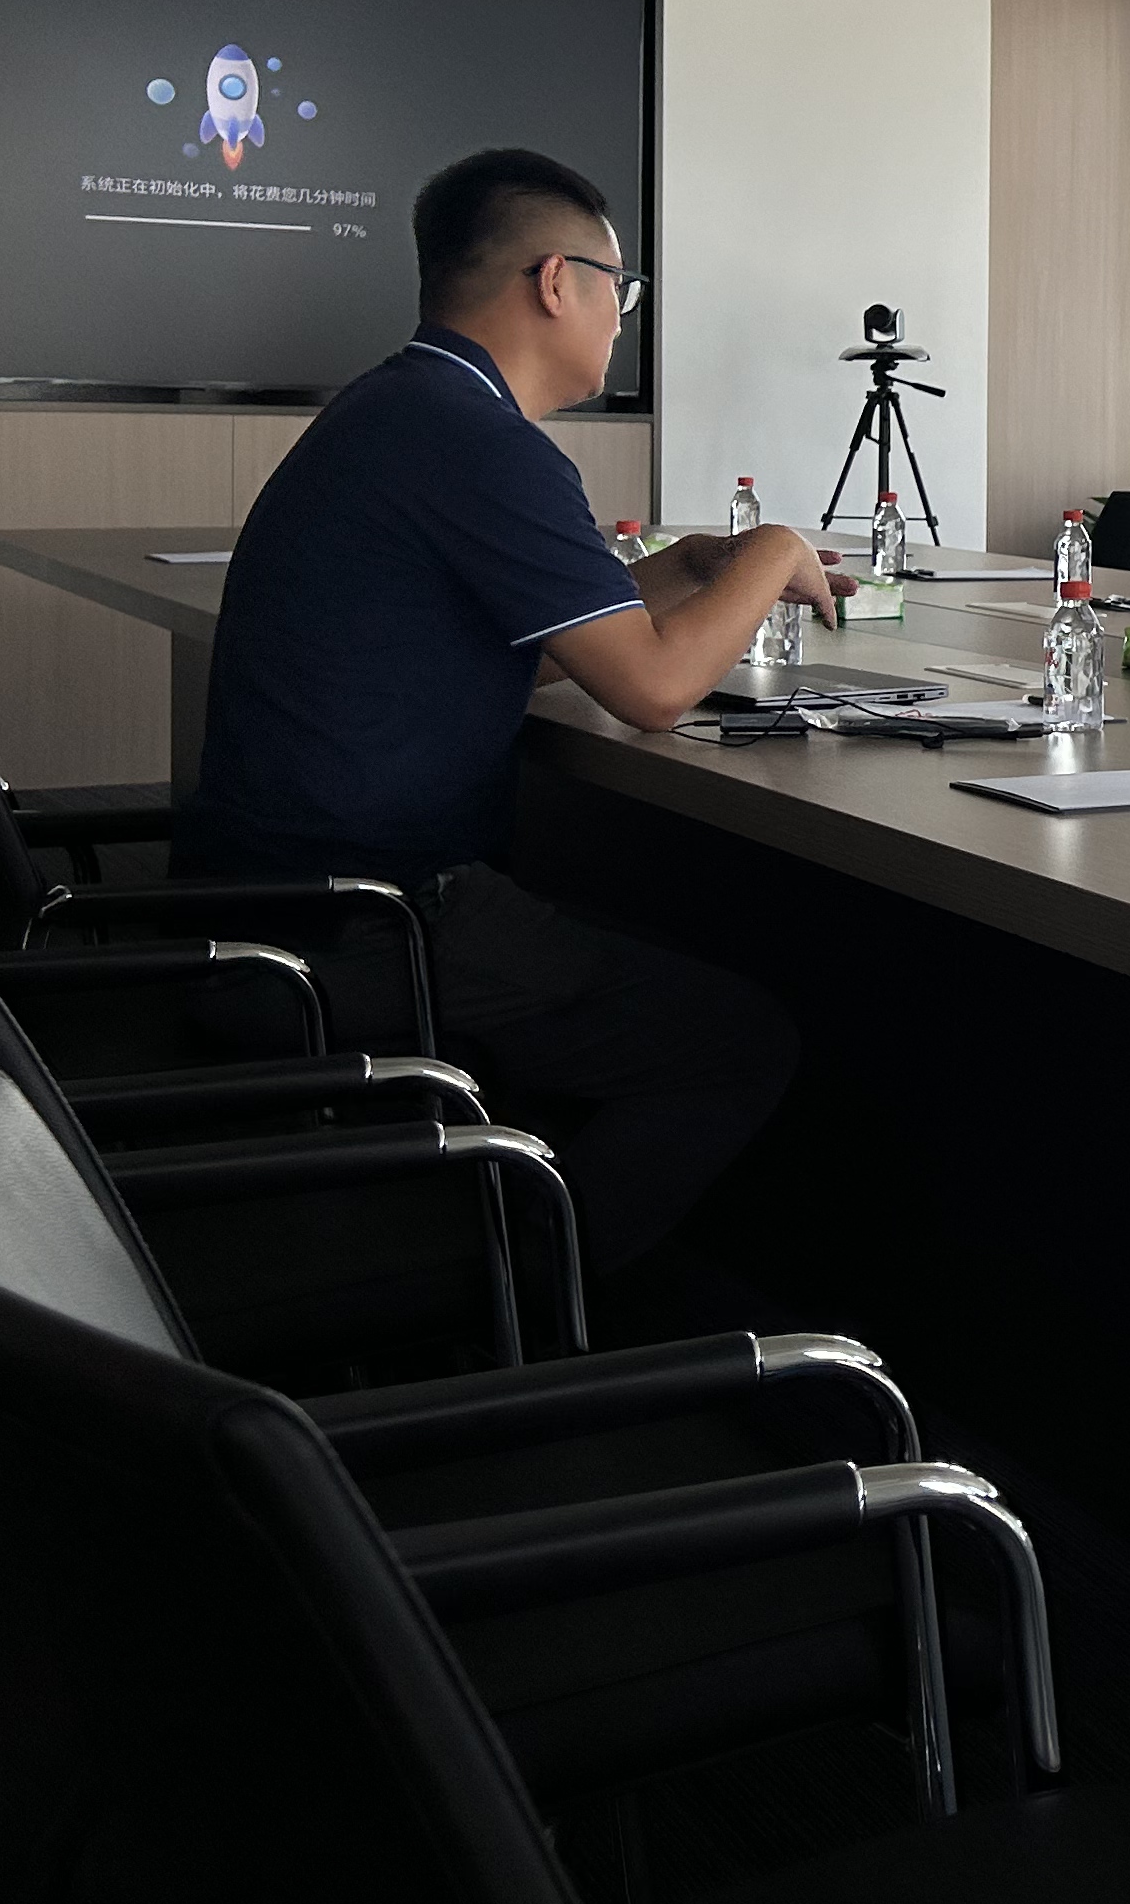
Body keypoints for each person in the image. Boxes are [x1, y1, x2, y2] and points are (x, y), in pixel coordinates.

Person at [181, 147, 836, 1277]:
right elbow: (654, 692)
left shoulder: (404, 407)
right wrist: (775, 549)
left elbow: (508, 659)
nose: (623, 317)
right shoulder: (485, 444)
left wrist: (685, 572)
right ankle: (518, 1303)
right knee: (737, 1040)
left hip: (271, 896)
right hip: (369, 922)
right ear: (556, 282)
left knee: (627, 924)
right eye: (621, 288)